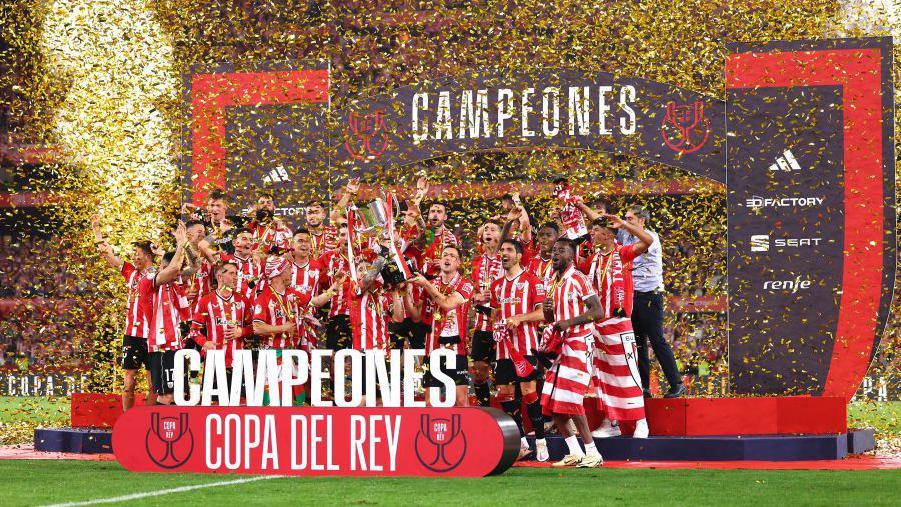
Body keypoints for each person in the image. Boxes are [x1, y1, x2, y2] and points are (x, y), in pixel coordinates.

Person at [581, 216, 653, 439]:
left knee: (628, 371)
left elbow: (648, 240)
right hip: (597, 324)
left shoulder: (623, 253)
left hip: (619, 322)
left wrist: (623, 225)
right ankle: (610, 422)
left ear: (609, 235)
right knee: (602, 375)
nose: (592, 235)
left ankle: (641, 421)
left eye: (597, 231)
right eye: (592, 231)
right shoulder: (591, 260)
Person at [540, 238, 605, 468]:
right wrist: (548, 314)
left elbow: (598, 310)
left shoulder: (579, 278)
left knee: (571, 400)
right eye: (554, 250)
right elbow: (552, 320)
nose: (555, 253)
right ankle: (575, 452)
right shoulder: (552, 280)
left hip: (578, 343)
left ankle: (593, 453)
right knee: (551, 402)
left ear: (572, 254)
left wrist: (569, 322)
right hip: (558, 346)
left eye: (561, 250)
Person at [490, 239, 548, 461]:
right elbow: (497, 313)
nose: (504, 253)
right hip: (503, 350)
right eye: (502, 250)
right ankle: (522, 443)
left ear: (519, 255)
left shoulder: (533, 281)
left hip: (525, 347)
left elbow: (543, 314)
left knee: (529, 393)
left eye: (509, 250)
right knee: (506, 396)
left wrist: (519, 318)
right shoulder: (496, 286)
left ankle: (541, 440)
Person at [252, 255, 338, 405]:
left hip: (290, 353)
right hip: (273, 354)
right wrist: (283, 328)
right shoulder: (264, 297)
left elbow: (317, 302)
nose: (292, 272)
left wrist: (335, 286)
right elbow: (257, 327)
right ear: (278, 273)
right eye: (288, 269)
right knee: (276, 401)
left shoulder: (292, 294)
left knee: (297, 400)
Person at [91, 215, 155, 410]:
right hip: (132, 335)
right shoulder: (131, 272)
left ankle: (151, 420)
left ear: (148, 256)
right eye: (133, 253)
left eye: (138, 253)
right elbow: (108, 255)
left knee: (154, 384)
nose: (134, 257)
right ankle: (128, 421)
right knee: (129, 383)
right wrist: (97, 231)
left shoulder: (158, 275)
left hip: (153, 336)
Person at [620, 205, 684, 398]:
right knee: (637, 343)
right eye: (626, 218)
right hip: (633, 296)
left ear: (642, 220)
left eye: (630, 219)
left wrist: (623, 225)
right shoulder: (625, 236)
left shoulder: (651, 237)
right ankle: (644, 387)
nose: (626, 222)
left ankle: (677, 383)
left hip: (650, 296)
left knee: (657, 340)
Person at [410, 246, 474, 407]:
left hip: (456, 350)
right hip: (432, 350)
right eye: (444, 255)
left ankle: (466, 432)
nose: (447, 258)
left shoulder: (466, 285)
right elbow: (417, 317)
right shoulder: (430, 284)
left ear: (458, 262)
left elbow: (448, 304)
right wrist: (403, 294)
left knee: (461, 400)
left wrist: (426, 284)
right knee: (431, 402)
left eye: (452, 256)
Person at [138, 222, 190, 405]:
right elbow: (174, 268)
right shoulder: (147, 281)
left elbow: (189, 267)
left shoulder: (176, 286)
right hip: (161, 346)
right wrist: (181, 244)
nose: (179, 272)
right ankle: (159, 432)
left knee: (179, 396)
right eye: (177, 268)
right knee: (165, 396)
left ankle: (178, 432)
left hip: (176, 344)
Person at [188, 261, 254, 394]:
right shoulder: (206, 301)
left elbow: (254, 327)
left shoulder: (243, 300)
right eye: (231, 273)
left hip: (238, 362)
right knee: (212, 406)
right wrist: (205, 342)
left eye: (236, 274)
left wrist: (242, 331)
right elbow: (194, 331)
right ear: (220, 277)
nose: (235, 277)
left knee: (239, 404)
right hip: (214, 362)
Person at [469, 220, 504, 407]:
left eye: (493, 229)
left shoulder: (506, 257)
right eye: (486, 229)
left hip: (502, 323)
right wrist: (476, 295)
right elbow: (470, 290)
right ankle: (485, 411)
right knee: (479, 370)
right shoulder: (476, 261)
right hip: (481, 323)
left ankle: (511, 417)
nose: (488, 232)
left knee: (503, 374)